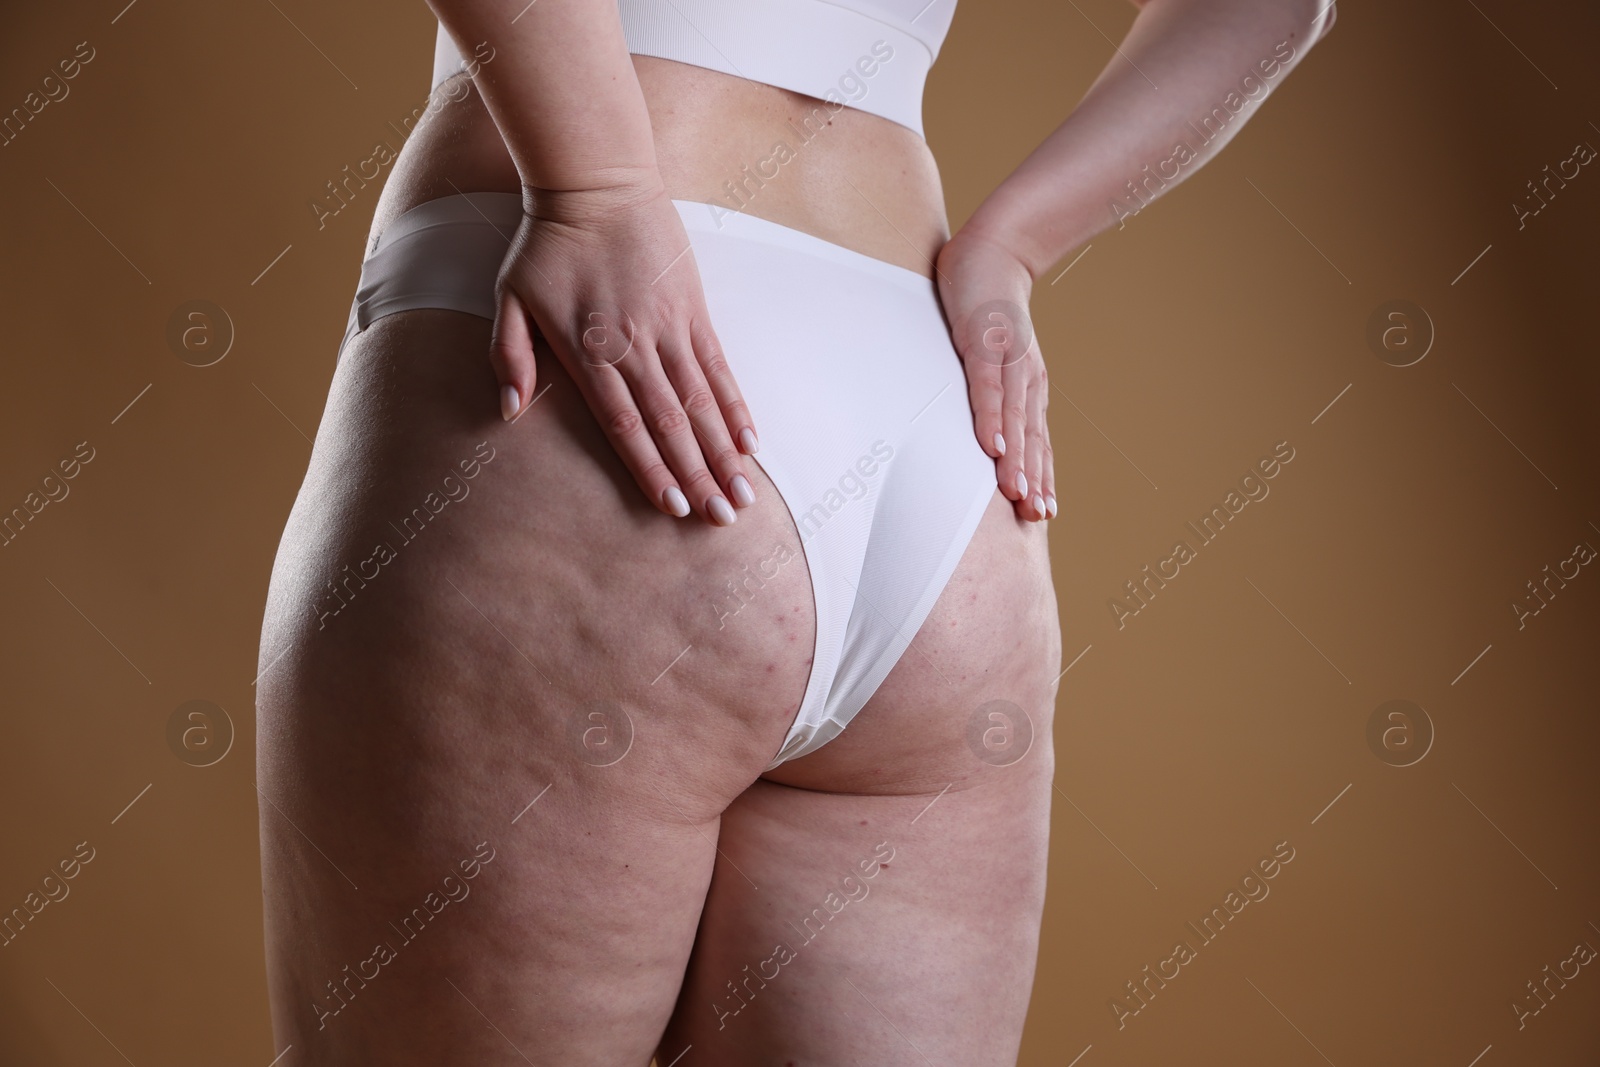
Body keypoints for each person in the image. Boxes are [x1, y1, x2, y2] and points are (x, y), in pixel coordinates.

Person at [255, 0, 1335, 1061]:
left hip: (610, 337)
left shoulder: (598, 201)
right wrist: (1010, 247)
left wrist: (593, 189)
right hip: (928, 407)